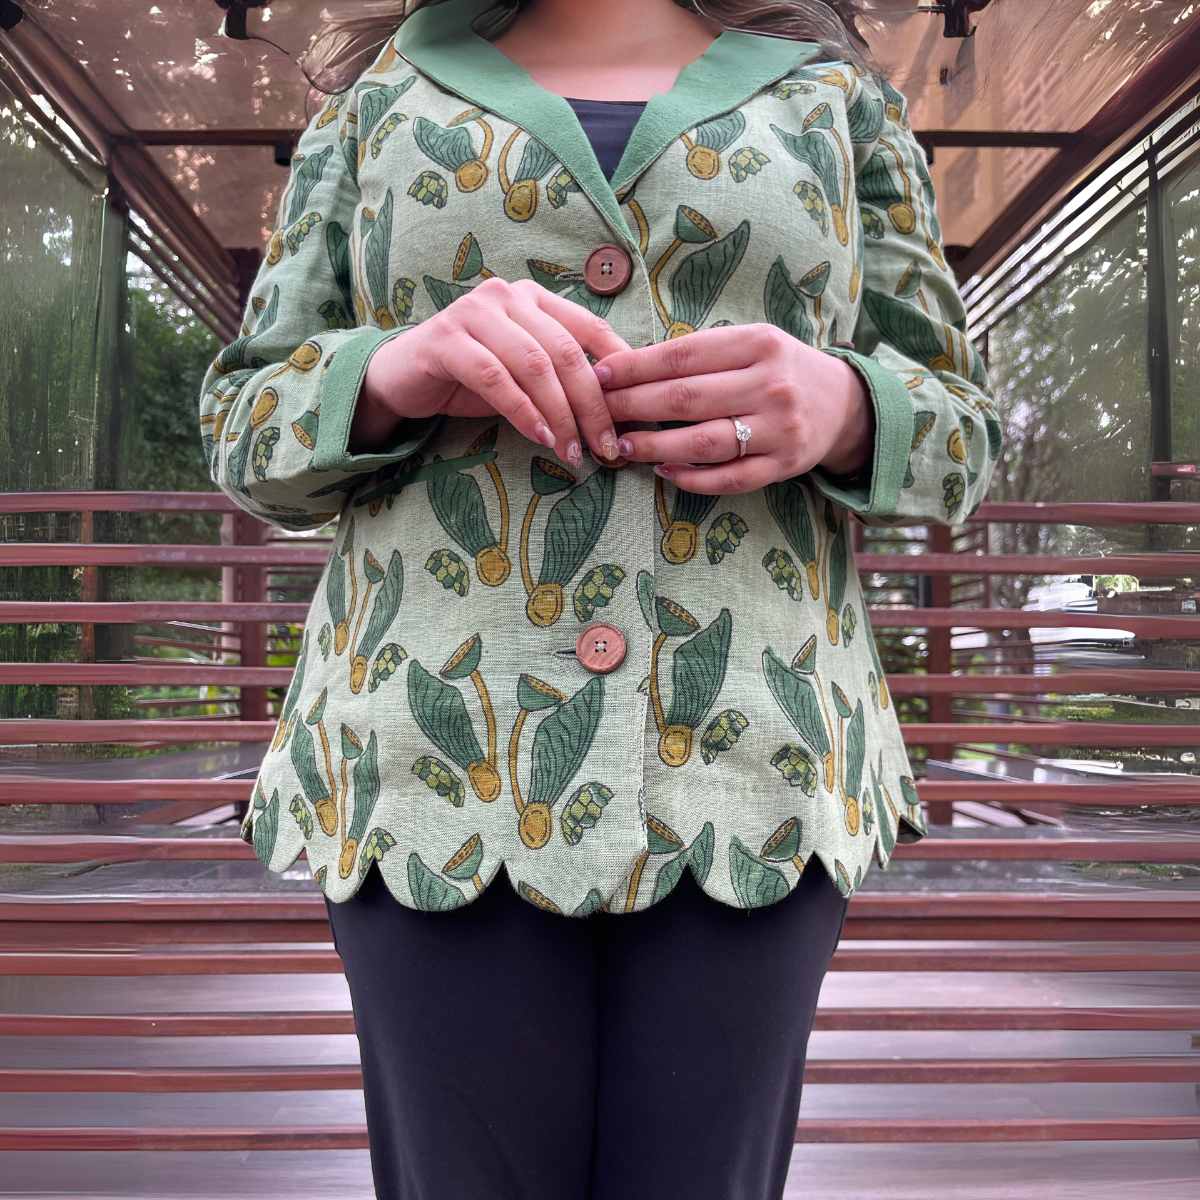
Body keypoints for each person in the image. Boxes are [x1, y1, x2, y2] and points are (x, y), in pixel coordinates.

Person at [197, 1, 1003, 1195]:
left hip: (752, 765)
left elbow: (965, 437)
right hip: (434, 769)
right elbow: (241, 423)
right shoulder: (378, 101)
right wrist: (392, 370)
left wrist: (847, 408)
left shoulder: (836, 104)